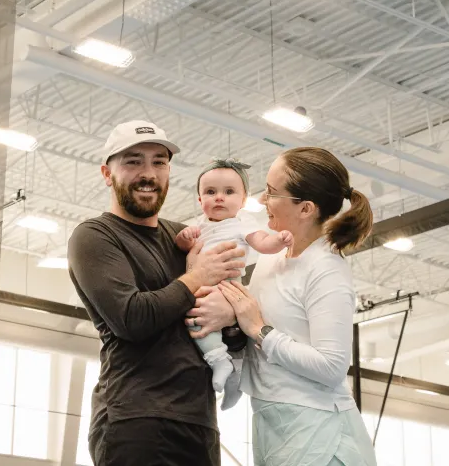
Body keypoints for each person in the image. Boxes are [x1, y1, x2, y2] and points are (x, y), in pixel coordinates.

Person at [68, 120, 248, 466]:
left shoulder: (188, 238)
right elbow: (132, 318)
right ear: (107, 174)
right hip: (137, 420)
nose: (148, 173)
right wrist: (198, 277)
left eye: (159, 162)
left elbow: (237, 331)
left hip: (200, 422)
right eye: (133, 162)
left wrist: (230, 315)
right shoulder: (95, 237)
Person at [214, 146, 379, 466]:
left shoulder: (326, 269)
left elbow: (332, 367)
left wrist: (260, 330)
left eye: (272, 192)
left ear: (305, 209)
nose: (262, 199)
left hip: (320, 434)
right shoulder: (272, 258)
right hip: (273, 423)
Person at [175, 158, 294, 409]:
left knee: (214, 324)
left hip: (228, 285)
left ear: (243, 200)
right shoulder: (199, 225)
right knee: (196, 320)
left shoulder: (242, 224)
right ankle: (226, 366)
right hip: (203, 286)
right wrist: (184, 238)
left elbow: (262, 242)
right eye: (210, 192)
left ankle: (226, 365)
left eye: (229, 192)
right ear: (199, 199)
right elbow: (183, 246)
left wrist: (279, 241)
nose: (219, 197)